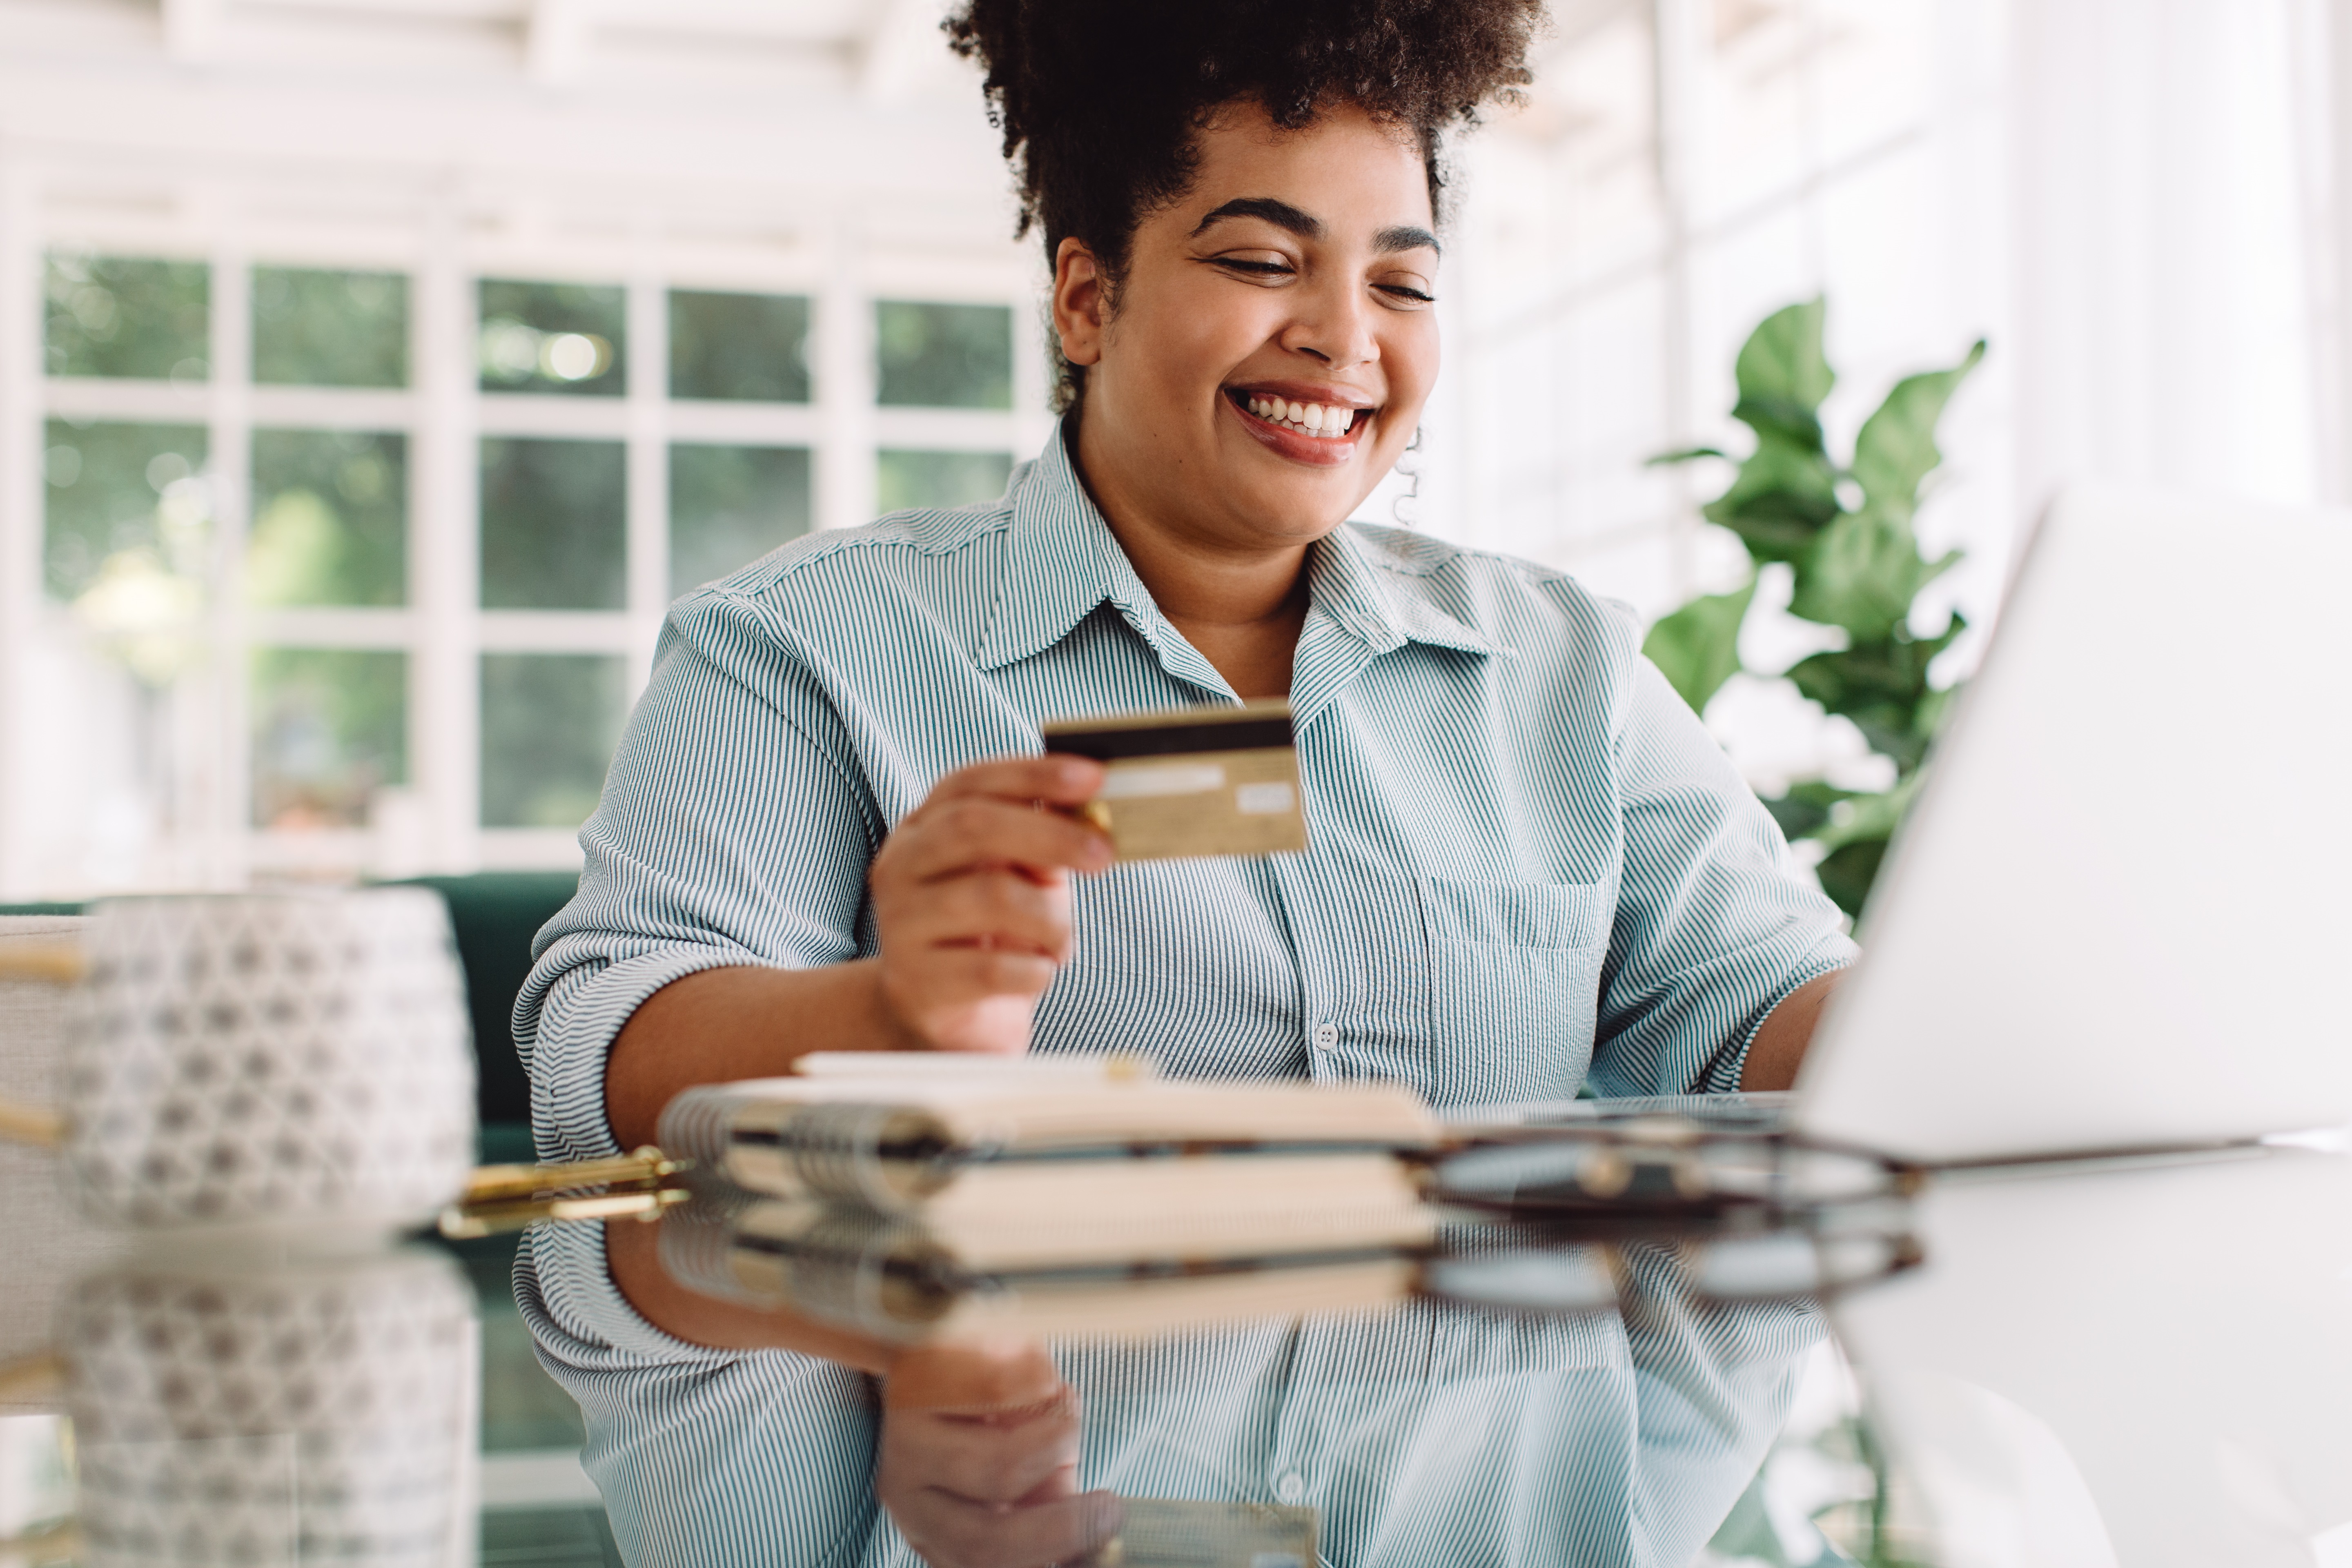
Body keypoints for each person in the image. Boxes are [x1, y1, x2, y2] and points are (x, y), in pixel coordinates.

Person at [514, 2, 1854, 1562]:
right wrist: (889, 1019)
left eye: (1401, 279)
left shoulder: (1561, 667)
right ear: (1087, 296)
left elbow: (1755, 1008)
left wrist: (1977, 991)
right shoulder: (803, 649)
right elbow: (596, 1086)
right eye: (1261, 260)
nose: (1347, 337)